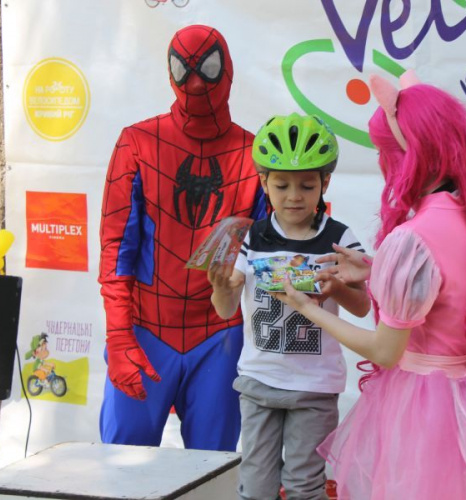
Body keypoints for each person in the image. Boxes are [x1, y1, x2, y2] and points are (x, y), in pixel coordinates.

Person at [273, 73, 466, 499]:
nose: (384, 164)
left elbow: (386, 350)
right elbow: (448, 285)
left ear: (409, 156)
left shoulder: (412, 238)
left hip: (424, 408)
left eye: (386, 152)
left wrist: (306, 308)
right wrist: (377, 269)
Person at [98, 25, 265, 451]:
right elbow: (117, 247)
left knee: (210, 474)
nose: (195, 83)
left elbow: (276, 254)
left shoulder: (256, 154)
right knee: (124, 467)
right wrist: (119, 334)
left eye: (207, 69)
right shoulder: (137, 143)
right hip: (145, 328)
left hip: (219, 333)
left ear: (227, 69)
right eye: (184, 69)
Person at [208, 113, 371, 500]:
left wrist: (336, 288)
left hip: (314, 389)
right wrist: (220, 288)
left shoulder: (338, 237)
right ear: (263, 182)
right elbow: (225, 308)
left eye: (307, 185)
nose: (294, 196)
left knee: (304, 487)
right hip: (258, 381)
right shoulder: (253, 236)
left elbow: (363, 307)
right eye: (281, 185)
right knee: (255, 485)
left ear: (325, 183)